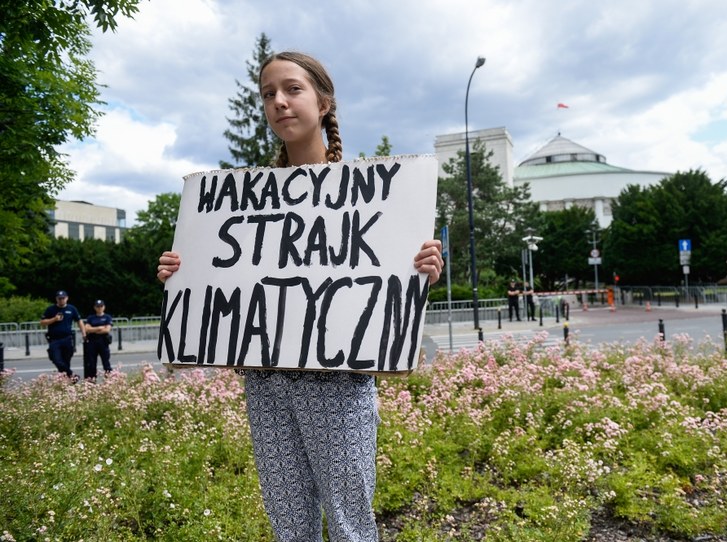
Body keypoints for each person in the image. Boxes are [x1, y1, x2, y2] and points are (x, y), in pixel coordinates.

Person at [157, 51, 443, 542]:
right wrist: (182, 273)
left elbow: (379, 282)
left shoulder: (375, 195)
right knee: (289, 525)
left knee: (351, 523)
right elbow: (228, 283)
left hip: (338, 383)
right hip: (266, 382)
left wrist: (421, 273)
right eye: (268, 94)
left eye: (292, 90)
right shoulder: (241, 201)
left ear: (325, 102)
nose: (279, 103)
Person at [40, 290, 86, 381]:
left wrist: (84, 333)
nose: (61, 300)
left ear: (67, 298)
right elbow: (42, 322)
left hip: (67, 339)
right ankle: (72, 375)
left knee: (66, 361)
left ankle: (66, 382)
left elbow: (79, 321)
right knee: (57, 360)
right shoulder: (51, 309)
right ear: (56, 299)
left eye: (63, 298)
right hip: (54, 339)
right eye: (59, 298)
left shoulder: (71, 309)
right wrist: (54, 319)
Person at [84, 299, 113, 379]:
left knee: (106, 363)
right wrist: (99, 328)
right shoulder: (91, 318)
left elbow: (107, 330)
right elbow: (86, 329)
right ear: (95, 307)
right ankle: (92, 381)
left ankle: (109, 380)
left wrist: (93, 330)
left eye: (101, 306)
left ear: (104, 307)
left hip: (103, 342)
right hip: (92, 342)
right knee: (92, 363)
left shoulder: (107, 317)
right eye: (98, 306)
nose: (99, 308)